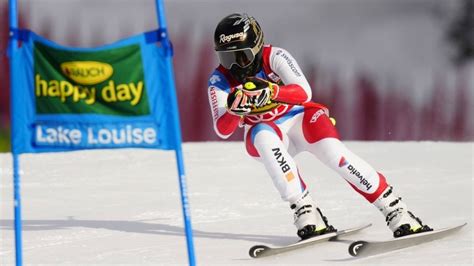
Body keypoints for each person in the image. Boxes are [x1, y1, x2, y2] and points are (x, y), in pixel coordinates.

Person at [207, 13, 432, 239]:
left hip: (300, 120)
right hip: (270, 133)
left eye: (243, 57)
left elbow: (304, 92)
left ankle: (395, 209)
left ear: (256, 47)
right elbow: (222, 129)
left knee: (335, 155)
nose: (236, 66)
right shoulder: (219, 80)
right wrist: (235, 111)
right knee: (262, 135)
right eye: (227, 59)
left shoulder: (275, 56)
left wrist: (272, 91)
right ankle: (304, 208)